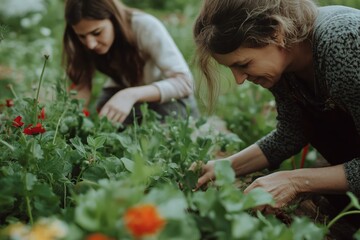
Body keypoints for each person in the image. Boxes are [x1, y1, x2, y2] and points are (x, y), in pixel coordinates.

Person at [191, 0, 360, 232]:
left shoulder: (342, 42)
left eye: (243, 64)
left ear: (275, 33)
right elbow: (292, 132)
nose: (239, 79)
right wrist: (224, 167)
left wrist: (295, 181)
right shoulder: (285, 63)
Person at [62, 0, 199, 125]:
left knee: (164, 140)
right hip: (122, 88)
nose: (90, 44)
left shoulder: (144, 26)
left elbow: (186, 83)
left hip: (167, 97)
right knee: (103, 127)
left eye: (97, 32)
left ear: (113, 19)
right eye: (82, 36)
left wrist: (130, 95)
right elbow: (82, 86)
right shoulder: (81, 40)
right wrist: (68, 120)